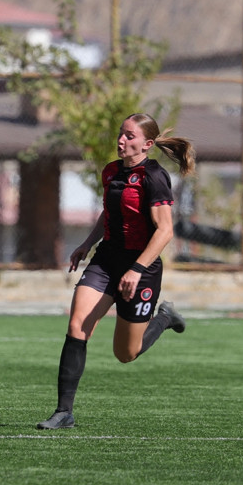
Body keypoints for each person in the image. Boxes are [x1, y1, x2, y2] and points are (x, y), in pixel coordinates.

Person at [37, 113, 194, 430]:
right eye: (121, 134)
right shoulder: (111, 171)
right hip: (106, 260)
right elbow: (109, 214)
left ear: (147, 144)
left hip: (141, 269)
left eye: (130, 136)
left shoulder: (154, 177)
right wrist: (86, 243)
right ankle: (63, 412)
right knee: (78, 324)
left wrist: (137, 269)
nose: (121, 140)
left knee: (126, 353)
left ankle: (164, 317)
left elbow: (164, 231)